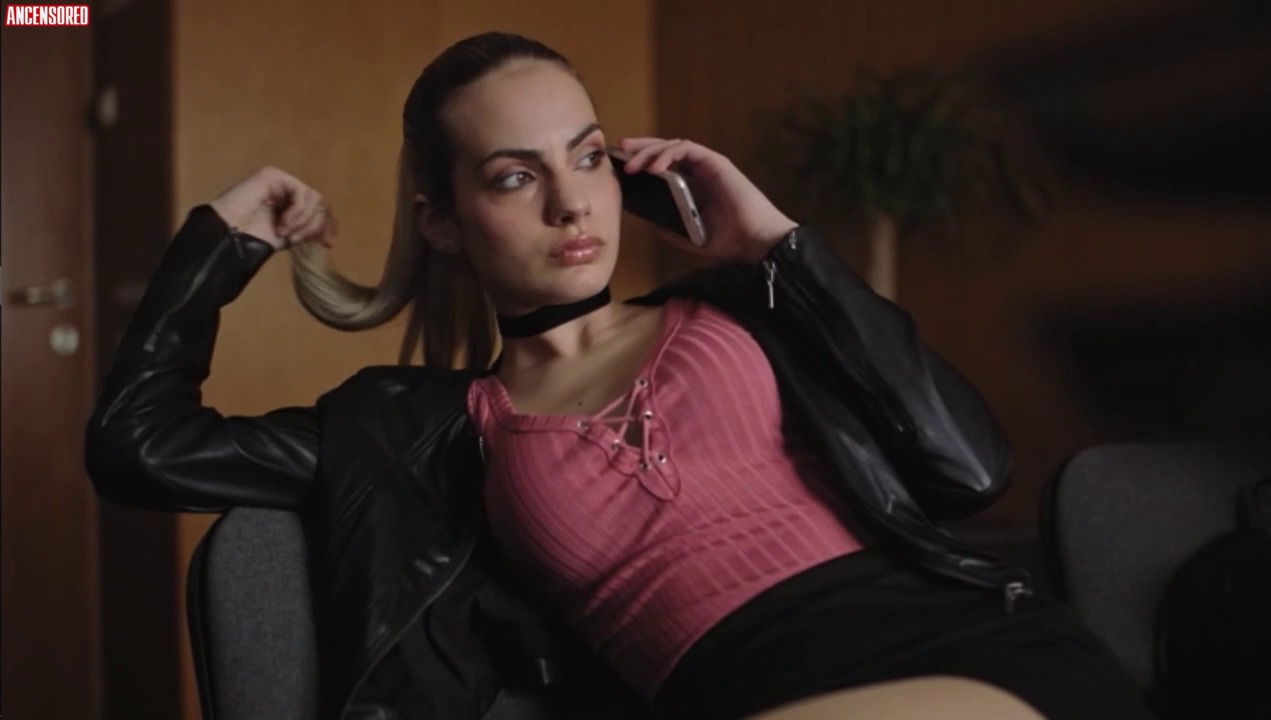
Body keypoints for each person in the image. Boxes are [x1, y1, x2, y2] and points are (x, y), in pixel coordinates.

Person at [85, 31, 1154, 720]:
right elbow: (139, 444)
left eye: (588, 156)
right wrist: (222, 238)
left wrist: (778, 246)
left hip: (969, 661)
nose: (571, 202)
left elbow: (967, 469)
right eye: (516, 177)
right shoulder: (417, 431)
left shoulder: (739, 308)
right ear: (441, 222)